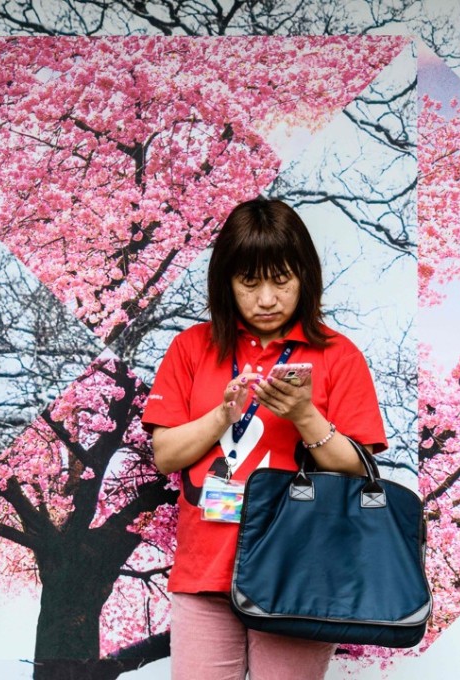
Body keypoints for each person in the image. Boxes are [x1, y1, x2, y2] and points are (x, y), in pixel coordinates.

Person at [141, 197, 387, 680]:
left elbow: (360, 470)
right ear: (226, 283)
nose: (267, 299)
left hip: (300, 572)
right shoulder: (191, 348)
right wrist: (221, 417)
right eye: (249, 283)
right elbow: (165, 455)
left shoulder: (339, 354)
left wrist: (304, 417)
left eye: (281, 280)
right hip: (204, 573)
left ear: (305, 277)